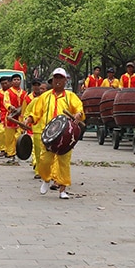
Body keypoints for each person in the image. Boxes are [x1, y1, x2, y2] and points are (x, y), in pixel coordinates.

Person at [25, 68, 84, 200]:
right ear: (52, 80)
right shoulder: (45, 96)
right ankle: (46, 179)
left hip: (65, 135)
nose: (58, 81)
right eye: (56, 78)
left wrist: (78, 114)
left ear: (65, 80)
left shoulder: (71, 97)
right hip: (48, 134)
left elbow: (79, 109)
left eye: (60, 78)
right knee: (44, 161)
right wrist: (29, 119)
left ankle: (62, 189)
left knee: (64, 162)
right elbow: (36, 112)